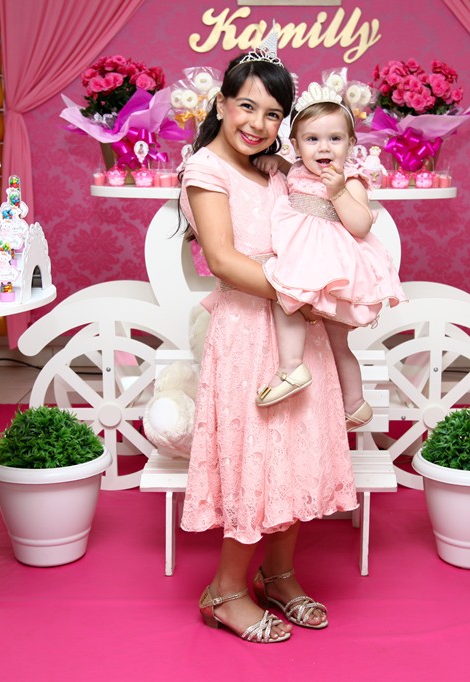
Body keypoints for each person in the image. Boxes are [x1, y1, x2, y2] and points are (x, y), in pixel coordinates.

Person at [178, 44, 357, 644]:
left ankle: (278, 576)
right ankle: (225, 591)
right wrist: (304, 294)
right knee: (256, 455)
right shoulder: (206, 170)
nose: (257, 123)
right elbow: (224, 260)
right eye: (246, 106)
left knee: (295, 452)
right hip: (251, 329)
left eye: (273, 113)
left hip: (298, 327)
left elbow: (325, 223)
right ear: (221, 104)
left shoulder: (277, 168)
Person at [253, 84, 406, 431]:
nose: (324, 147)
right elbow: (289, 169)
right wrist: (276, 162)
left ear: (351, 144)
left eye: (335, 139)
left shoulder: (351, 181)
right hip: (307, 259)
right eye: (312, 139)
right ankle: (323, 384)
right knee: (292, 304)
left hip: (333, 266)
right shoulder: (296, 170)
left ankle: (311, 378)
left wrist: (337, 192)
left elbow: (361, 225)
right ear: (296, 147)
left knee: (299, 307)